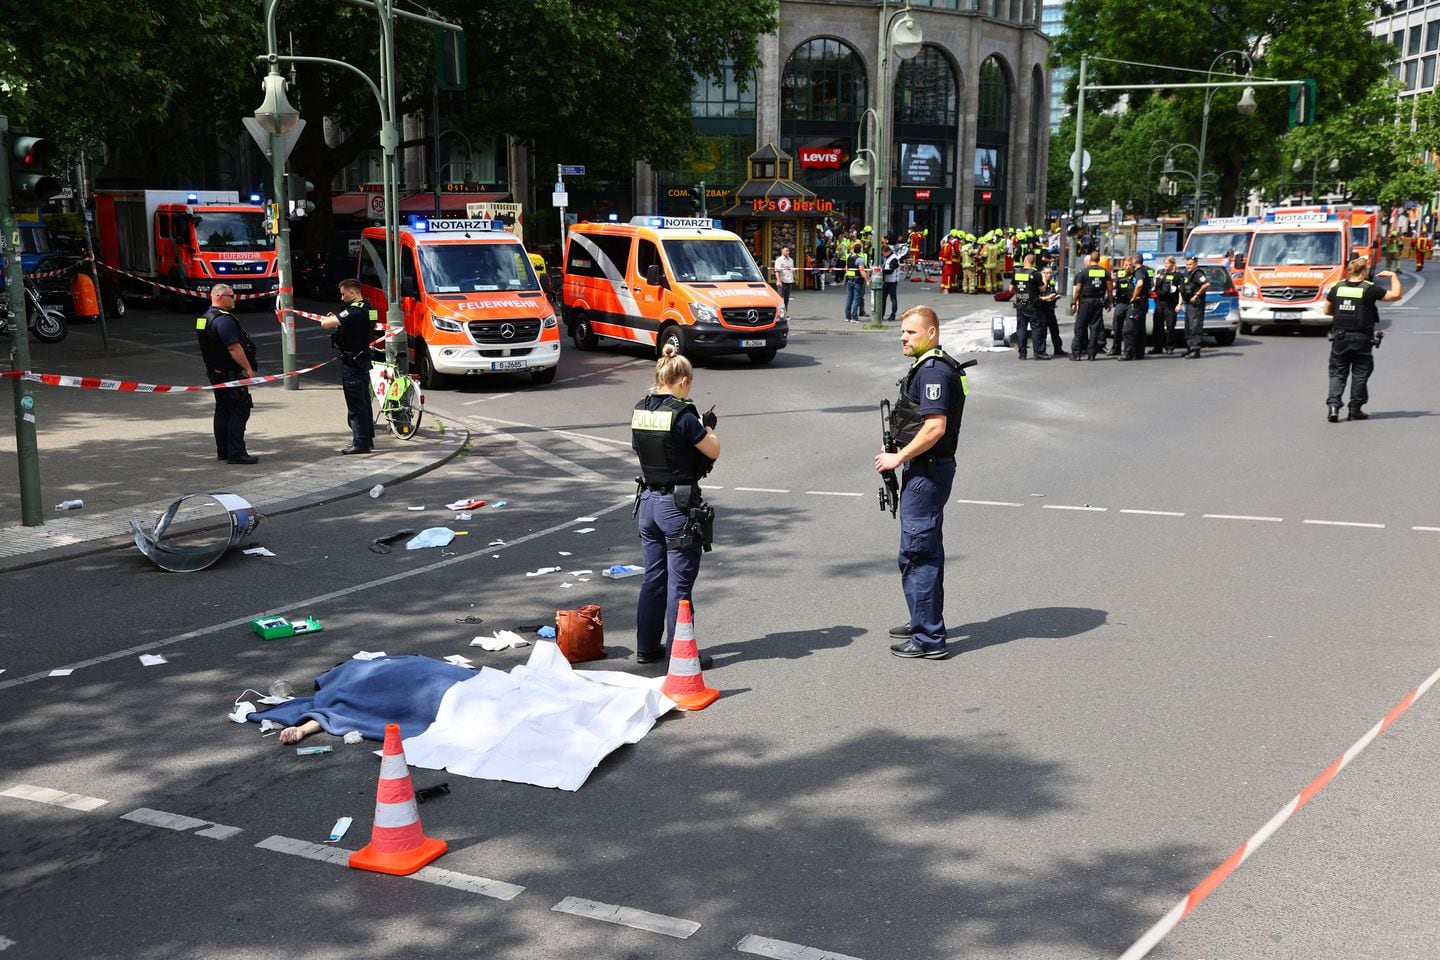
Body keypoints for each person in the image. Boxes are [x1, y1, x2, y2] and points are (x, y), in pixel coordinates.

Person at [875, 306, 967, 659]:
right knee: (924, 550)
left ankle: (928, 639)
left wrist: (898, 457)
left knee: (918, 553)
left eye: (911, 333)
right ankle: (922, 619)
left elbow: (935, 427)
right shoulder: (933, 365)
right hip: (928, 467)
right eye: (902, 332)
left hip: (926, 472)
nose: (903, 337)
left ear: (931, 333)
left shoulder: (932, 373)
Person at [631, 345, 721, 665]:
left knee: (653, 578)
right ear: (682, 381)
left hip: (647, 504)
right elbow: (711, 450)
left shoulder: (641, 409)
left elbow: (641, 448)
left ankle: (646, 647)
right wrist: (707, 426)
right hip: (676, 505)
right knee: (679, 585)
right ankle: (679, 655)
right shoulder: (684, 414)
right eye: (690, 382)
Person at [1323, 257, 1401, 422]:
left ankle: (1334, 407)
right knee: (1360, 374)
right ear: (1364, 271)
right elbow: (1396, 296)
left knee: (1337, 373)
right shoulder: (1370, 289)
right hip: (1362, 338)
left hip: (1340, 337)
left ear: (1349, 271)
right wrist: (1393, 276)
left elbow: (1327, 310)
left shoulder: (1337, 288)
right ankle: (1355, 409)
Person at [196, 283, 259, 464]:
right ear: (220, 297)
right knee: (239, 411)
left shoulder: (204, 318)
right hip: (231, 374)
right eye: (231, 295)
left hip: (216, 373)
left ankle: (223, 451)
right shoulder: (224, 320)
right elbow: (233, 347)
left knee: (222, 411)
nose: (234, 298)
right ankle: (236, 453)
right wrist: (248, 369)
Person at [319, 278, 377, 454]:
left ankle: (360, 443)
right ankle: (367, 440)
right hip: (363, 360)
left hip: (352, 363)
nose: (342, 297)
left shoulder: (354, 311)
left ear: (353, 293)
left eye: (343, 294)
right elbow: (369, 326)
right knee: (365, 403)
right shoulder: (370, 309)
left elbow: (325, 324)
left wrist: (330, 320)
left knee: (356, 405)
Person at [1070, 254, 1110, 360]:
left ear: (1091, 260)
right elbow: (1109, 288)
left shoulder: (1083, 272)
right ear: (1098, 260)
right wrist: (1109, 302)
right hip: (1098, 301)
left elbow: (1078, 289)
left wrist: (1074, 302)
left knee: (1080, 327)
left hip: (1085, 301)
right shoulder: (1105, 272)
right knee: (1095, 327)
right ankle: (1092, 354)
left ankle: (1076, 354)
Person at [1010, 253, 1047, 360]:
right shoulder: (1036, 274)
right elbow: (1042, 289)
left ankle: (1022, 353)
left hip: (1020, 304)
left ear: (1025, 261)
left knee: (1021, 329)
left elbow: (1010, 289)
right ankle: (1038, 352)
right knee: (1036, 328)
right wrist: (1044, 279)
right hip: (1033, 305)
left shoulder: (1016, 273)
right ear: (1033, 262)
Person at [1120, 254, 1151, 361]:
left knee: (1128, 329)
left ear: (1134, 261)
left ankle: (1128, 353)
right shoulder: (1143, 270)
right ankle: (1139, 353)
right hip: (1142, 302)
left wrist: (1133, 297)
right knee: (1139, 329)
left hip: (1137, 303)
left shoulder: (1139, 271)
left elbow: (1139, 284)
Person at [1180, 255, 1211, 359]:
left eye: (1190, 264)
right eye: (1187, 264)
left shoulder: (1198, 273)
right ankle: (1190, 348)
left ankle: (1195, 350)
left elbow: (1206, 284)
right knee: (1188, 327)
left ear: (1196, 264)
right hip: (1188, 304)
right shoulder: (1189, 274)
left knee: (1195, 327)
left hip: (1195, 304)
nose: (1188, 266)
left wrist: (1197, 295)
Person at [1150, 256, 1181, 354]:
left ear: (1172, 264)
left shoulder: (1177, 275)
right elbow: (1154, 287)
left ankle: (1170, 347)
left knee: (1170, 326)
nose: (1166, 265)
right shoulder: (1161, 273)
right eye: (1165, 263)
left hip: (1170, 303)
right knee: (1157, 326)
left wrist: (1179, 304)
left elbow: (1180, 291)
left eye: (1168, 263)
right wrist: (1156, 279)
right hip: (1159, 303)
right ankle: (1157, 347)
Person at [1037, 266, 1067, 357]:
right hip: (1042, 310)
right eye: (1047, 273)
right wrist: (1048, 297)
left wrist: (1056, 297)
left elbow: (1053, 292)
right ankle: (1042, 351)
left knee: (1055, 331)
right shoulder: (1040, 284)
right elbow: (1039, 298)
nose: (1049, 275)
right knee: (1043, 332)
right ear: (1042, 274)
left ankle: (1058, 349)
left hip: (1051, 310)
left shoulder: (1052, 282)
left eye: (1050, 273)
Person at [1108, 258, 1132, 357]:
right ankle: (1116, 349)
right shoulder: (1120, 274)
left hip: (1130, 303)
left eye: (1129, 265)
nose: (1127, 267)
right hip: (1121, 303)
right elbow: (1113, 286)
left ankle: (1128, 350)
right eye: (1126, 265)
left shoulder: (1135, 274)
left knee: (1128, 329)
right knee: (1117, 327)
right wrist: (1112, 280)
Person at [843, 242, 867, 322]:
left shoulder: (849, 257)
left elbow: (846, 268)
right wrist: (867, 279)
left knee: (849, 298)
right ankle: (854, 317)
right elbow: (862, 271)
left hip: (849, 279)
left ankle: (847, 316)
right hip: (857, 280)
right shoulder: (860, 259)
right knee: (856, 299)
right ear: (860, 250)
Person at [881, 243, 902, 321]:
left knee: (893, 298)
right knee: (883, 298)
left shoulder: (894, 259)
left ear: (888, 251)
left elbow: (890, 270)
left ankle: (893, 314)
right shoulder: (887, 258)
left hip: (892, 281)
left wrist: (881, 271)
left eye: (884, 252)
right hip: (886, 281)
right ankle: (881, 314)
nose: (883, 254)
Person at [773, 245, 795, 311]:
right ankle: (778, 314)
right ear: (782, 251)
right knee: (780, 299)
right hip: (782, 281)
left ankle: (785, 314)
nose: (788, 252)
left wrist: (795, 278)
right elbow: (777, 271)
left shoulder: (791, 260)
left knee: (786, 299)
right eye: (786, 251)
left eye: (788, 251)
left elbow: (792, 270)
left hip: (789, 281)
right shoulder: (779, 260)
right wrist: (778, 281)